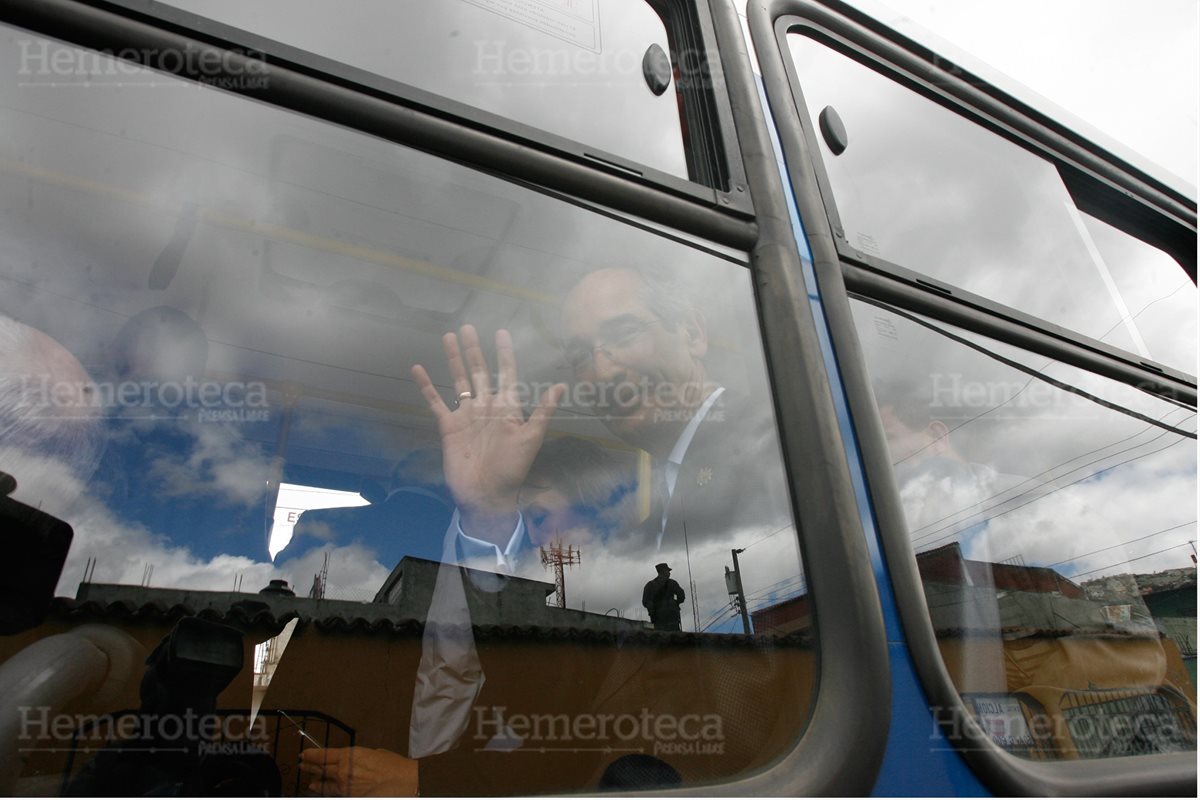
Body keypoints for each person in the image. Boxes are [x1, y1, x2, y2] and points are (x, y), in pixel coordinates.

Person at [642, 562, 685, 631]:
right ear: (663, 571)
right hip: (671, 618)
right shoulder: (672, 583)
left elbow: (645, 602)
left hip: (658, 619)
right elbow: (681, 596)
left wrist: (652, 610)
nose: (669, 573)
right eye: (668, 571)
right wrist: (675, 603)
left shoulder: (649, 585)